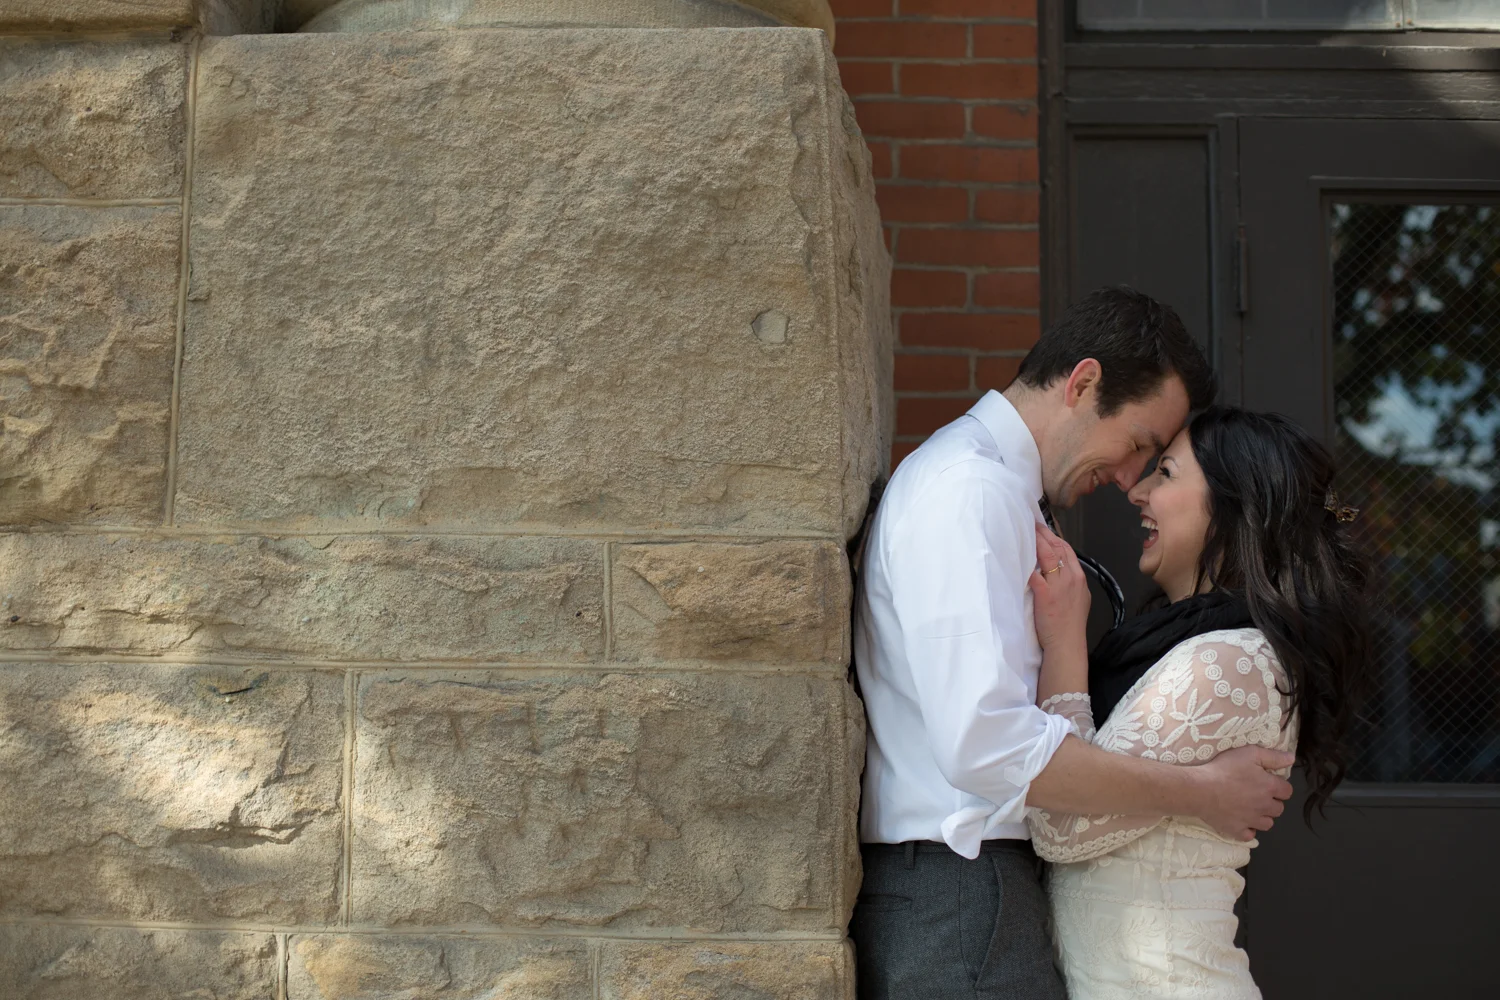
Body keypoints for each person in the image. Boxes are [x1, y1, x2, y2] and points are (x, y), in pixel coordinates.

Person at [850, 287, 1296, 999]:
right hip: (960, 895)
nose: (1128, 479)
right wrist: (1201, 790)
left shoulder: (986, 487)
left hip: (961, 893)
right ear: (1083, 383)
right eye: (1141, 446)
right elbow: (985, 743)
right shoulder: (973, 488)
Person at [1026, 407, 1369, 999]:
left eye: (1165, 473)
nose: (1137, 491)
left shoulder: (1227, 662)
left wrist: (1062, 643)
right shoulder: (1185, 646)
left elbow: (1059, 825)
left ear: (1232, 505)